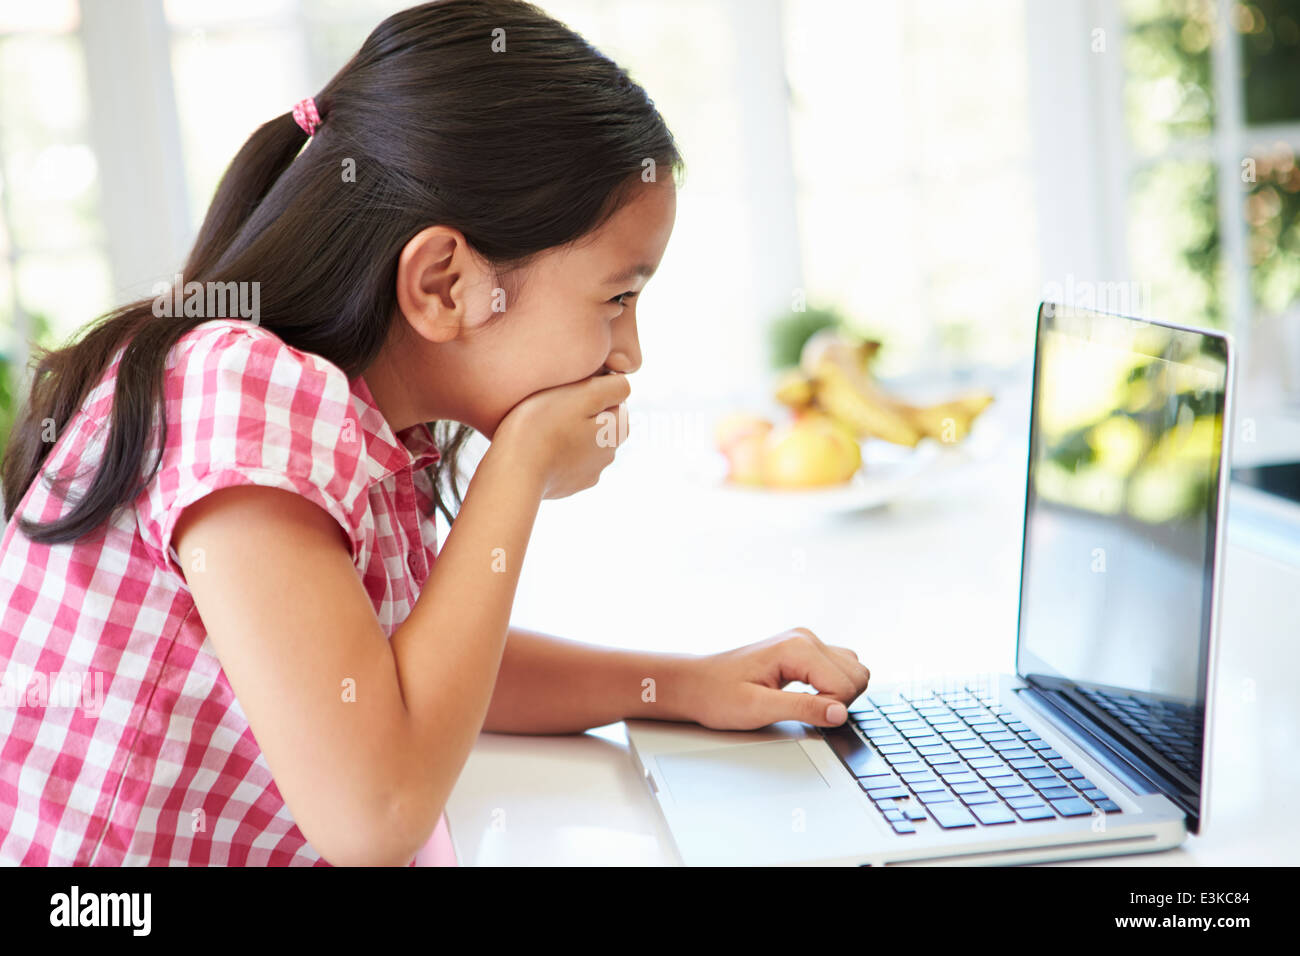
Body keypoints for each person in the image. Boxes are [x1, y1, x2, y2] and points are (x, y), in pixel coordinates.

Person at [0, 0, 869, 867]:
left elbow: (402, 676)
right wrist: (518, 467)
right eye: (616, 298)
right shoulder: (242, 392)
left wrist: (682, 684)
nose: (630, 352)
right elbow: (374, 815)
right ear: (446, 285)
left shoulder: (363, 421)